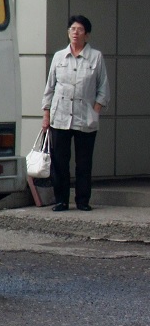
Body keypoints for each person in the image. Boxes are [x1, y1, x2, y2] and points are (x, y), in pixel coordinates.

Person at [41, 15, 110, 212]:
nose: (75, 32)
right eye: (72, 29)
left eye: (80, 29)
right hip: (60, 116)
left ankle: (82, 200)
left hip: (85, 117)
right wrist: (46, 114)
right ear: (68, 32)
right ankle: (61, 200)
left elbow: (103, 89)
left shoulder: (96, 57)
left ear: (87, 35)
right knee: (60, 162)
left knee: (84, 163)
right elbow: (50, 88)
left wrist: (95, 111)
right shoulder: (58, 57)